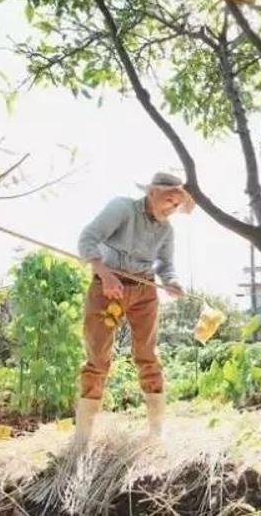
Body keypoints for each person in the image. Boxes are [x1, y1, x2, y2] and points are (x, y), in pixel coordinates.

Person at [73, 172, 193, 445]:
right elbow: (87, 239)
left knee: (147, 354)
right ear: (152, 193)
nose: (173, 209)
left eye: (177, 205)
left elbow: (165, 265)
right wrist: (104, 273)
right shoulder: (122, 208)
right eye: (169, 201)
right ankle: (83, 435)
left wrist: (172, 282)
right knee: (98, 356)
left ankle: (156, 430)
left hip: (144, 289)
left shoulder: (166, 230)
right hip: (108, 286)